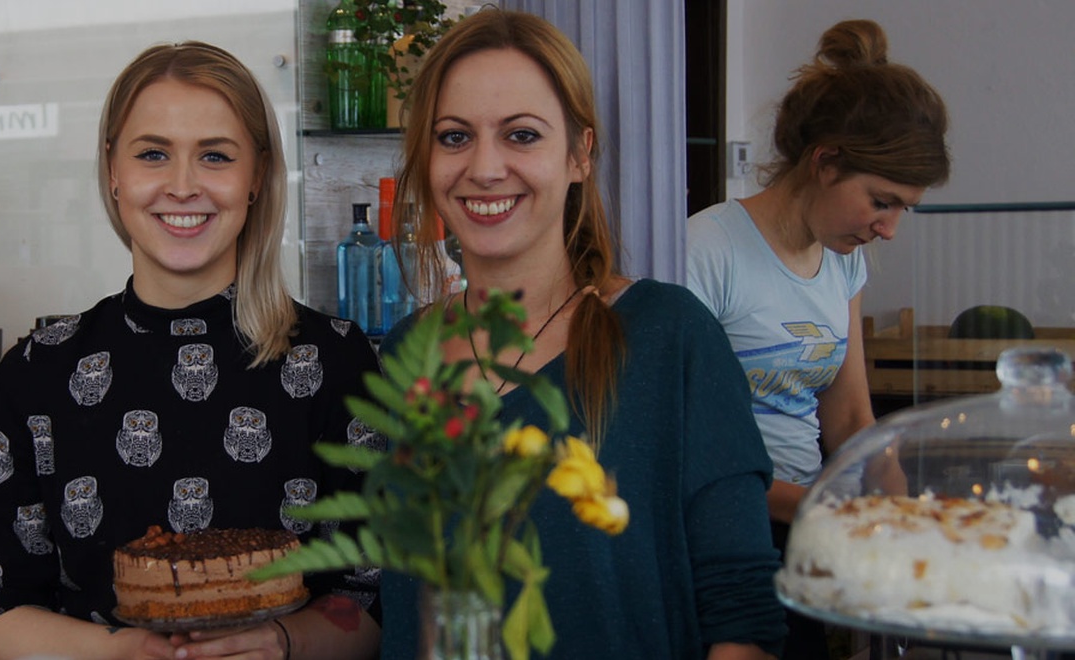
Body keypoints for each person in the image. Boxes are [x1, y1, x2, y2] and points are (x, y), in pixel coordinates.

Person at [378, 9, 786, 659]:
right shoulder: (404, 353)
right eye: (454, 137)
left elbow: (742, 609)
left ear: (580, 155)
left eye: (521, 135)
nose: (484, 168)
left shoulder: (670, 337)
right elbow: (395, 602)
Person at [0, 41, 382, 660]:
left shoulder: (337, 364)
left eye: (215, 155)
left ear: (258, 174)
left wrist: (282, 642)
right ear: (113, 171)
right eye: (153, 153)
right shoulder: (37, 373)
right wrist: (122, 653)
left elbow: (371, 596)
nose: (182, 186)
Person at [685, 19, 949, 659]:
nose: (888, 229)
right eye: (881, 201)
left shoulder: (843, 260)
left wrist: (902, 517)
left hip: (807, 526)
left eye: (902, 210)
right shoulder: (708, 249)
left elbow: (852, 415)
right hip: (728, 537)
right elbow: (683, 447)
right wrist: (827, 514)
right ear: (825, 161)